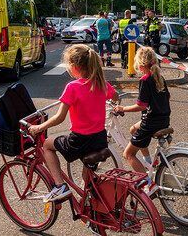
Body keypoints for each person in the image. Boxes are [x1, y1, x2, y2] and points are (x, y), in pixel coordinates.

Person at [28, 45, 118, 202]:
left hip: (80, 140)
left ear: (75, 67)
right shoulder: (101, 83)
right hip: (99, 139)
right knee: (87, 174)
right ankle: (94, 204)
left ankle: (59, 186)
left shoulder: (73, 87)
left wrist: (39, 127)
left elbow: (59, 117)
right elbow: (115, 96)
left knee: (48, 145)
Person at [113, 46, 171, 187]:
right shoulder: (159, 77)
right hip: (163, 119)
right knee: (133, 129)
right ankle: (147, 161)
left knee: (128, 154)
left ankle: (148, 183)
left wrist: (122, 108)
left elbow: (142, 106)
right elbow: (167, 97)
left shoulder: (145, 80)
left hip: (151, 123)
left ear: (139, 63)